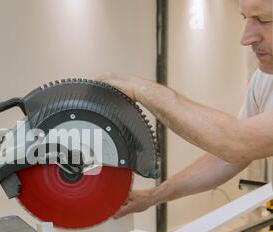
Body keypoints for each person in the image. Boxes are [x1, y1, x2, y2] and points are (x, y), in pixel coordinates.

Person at [96, 0, 273, 218]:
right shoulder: (264, 79)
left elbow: (236, 142)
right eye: (245, 18)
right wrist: (153, 195)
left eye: (264, 19)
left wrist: (141, 89)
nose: (245, 38)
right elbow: (230, 157)